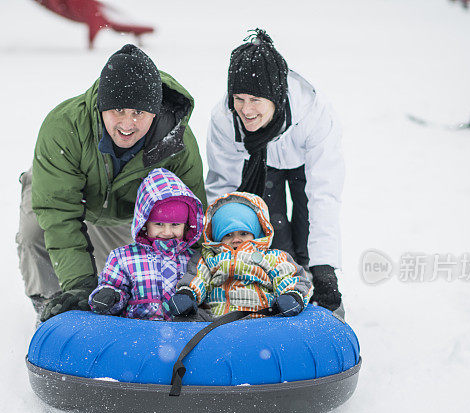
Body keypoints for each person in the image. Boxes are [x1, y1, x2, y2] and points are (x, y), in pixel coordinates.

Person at [16, 44, 207, 323]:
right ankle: (49, 305)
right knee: (37, 233)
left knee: (120, 280)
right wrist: (79, 285)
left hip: (127, 213)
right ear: (101, 106)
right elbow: (58, 214)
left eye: (139, 113)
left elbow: (194, 222)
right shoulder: (64, 127)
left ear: (154, 112)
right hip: (70, 194)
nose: (127, 124)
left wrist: (194, 286)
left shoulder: (176, 143)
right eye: (117, 109)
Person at [205, 29, 345, 317]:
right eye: (239, 98)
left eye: (256, 99)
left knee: (306, 225)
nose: (246, 109)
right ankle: (283, 284)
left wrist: (325, 269)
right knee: (275, 232)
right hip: (259, 163)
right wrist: (220, 252)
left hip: (303, 161)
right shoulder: (224, 119)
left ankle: (311, 282)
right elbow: (224, 189)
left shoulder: (315, 114)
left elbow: (324, 195)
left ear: (276, 96)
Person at [166, 192, 313, 319]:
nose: (236, 239)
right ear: (218, 238)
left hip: (262, 316)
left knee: (289, 321)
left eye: (243, 233)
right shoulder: (208, 258)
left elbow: (289, 276)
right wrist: (187, 294)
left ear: (255, 233)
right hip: (216, 320)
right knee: (188, 320)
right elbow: (198, 277)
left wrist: (292, 295)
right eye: (228, 234)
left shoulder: (272, 257)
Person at [88, 168, 204, 321]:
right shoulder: (123, 257)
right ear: (144, 223)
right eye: (159, 224)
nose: (167, 232)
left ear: (186, 225)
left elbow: (202, 288)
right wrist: (110, 296)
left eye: (175, 224)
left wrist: (191, 301)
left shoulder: (194, 259)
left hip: (180, 333)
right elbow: (114, 285)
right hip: (137, 332)